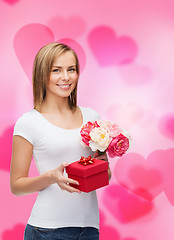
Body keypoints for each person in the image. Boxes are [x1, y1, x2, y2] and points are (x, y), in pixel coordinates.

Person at [10, 42, 111, 240]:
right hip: (47, 230)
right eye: (56, 70)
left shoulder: (92, 117)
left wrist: (103, 162)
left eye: (71, 69)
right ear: (42, 75)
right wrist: (52, 177)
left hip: (89, 229)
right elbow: (16, 186)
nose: (66, 77)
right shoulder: (29, 122)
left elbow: (105, 174)